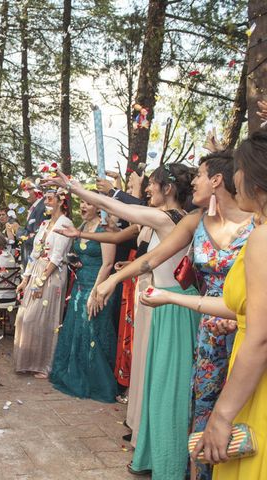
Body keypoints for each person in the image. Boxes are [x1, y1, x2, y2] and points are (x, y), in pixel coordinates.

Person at [95, 152, 253, 480]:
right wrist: (112, 279)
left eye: (200, 174)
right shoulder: (195, 222)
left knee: (243, 411)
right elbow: (152, 259)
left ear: (217, 180)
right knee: (202, 408)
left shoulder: (258, 226)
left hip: (246, 329)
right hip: (207, 331)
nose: (192, 180)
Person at [50, 164, 198, 478]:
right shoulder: (183, 220)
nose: (148, 191)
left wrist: (75, 188)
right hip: (165, 303)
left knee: (167, 388)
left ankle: (170, 467)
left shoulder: (165, 218)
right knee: (157, 385)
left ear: (167, 189)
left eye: (153, 186)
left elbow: (114, 206)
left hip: (171, 306)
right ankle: (152, 455)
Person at [141, 129, 267, 479]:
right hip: (214, 336)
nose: (234, 177)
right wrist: (170, 297)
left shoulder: (261, 239)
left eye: (237, 168)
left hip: (253, 365)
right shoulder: (206, 223)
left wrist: (223, 417)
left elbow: (261, 336)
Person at [48, 198, 118, 402]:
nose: (83, 206)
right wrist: (74, 261)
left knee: (93, 331)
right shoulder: (82, 226)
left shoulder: (105, 229)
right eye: (81, 203)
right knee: (76, 330)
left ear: (98, 206)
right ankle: (74, 375)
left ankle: (96, 381)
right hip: (79, 285)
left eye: (88, 203)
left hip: (98, 286)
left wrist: (96, 293)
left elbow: (108, 264)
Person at [14, 189, 73, 378]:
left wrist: (40, 282)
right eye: (45, 198)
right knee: (25, 318)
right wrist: (26, 278)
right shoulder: (45, 223)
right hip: (37, 271)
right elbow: (34, 252)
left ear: (60, 201)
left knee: (44, 320)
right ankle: (30, 361)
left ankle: (46, 365)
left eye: (49, 198)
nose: (46, 201)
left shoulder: (66, 223)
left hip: (52, 274)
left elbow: (56, 258)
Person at [17, 177, 46, 268]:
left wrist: (18, 230)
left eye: (29, 189)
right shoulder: (35, 207)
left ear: (39, 189)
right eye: (24, 190)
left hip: (35, 263)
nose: (25, 193)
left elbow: (36, 237)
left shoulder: (42, 208)